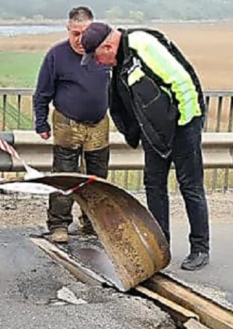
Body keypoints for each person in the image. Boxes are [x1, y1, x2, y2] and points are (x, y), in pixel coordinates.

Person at [79, 22, 210, 271]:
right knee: (154, 184)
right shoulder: (120, 58)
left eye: (96, 56)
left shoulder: (142, 45)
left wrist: (184, 127)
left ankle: (200, 248)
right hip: (156, 130)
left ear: (107, 46)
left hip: (183, 124)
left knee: (190, 186)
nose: (98, 62)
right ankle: (161, 244)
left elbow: (182, 83)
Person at [33, 6, 112, 244]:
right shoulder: (56, 55)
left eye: (85, 33)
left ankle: (92, 222)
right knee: (64, 177)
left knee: (97, 178)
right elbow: (42, 92)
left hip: (99, 124)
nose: (79, 39)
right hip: (67, 123)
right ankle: (58, 225)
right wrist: (41, 122)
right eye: (75, 33)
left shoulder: (105, 54)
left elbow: (119, 89)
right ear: (68, 29)